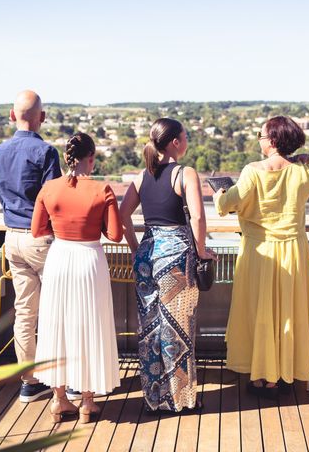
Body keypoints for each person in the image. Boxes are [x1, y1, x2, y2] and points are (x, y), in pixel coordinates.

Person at [213, 116, 309, 396]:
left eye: (261, 135)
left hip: (259, 251)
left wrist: (220, 193)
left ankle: (261, 375)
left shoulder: (252, 171)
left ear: (273, 141)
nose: (259, 139)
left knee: (259, 312)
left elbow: (226, 205)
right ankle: (282, 373)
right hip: (293, 250)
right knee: (288, 312)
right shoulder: (303, 172)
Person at [119, 118, 215, 413]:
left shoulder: (141, 176)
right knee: (178, 329)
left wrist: (137, 250)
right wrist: (202, 253)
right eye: (185, 137)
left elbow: (123, 217)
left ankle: (153, 398)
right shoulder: (185, 173)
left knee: (150, 330)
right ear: (175, 142)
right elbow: (197, 218)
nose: (186, 141)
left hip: (148, 255)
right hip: (176, 257)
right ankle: (182, 399)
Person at [31, 132, 122, 423]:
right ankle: (87, 402)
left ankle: (58, 400)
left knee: (57, 326)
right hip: (89, 260)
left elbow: (37, 230)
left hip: (59, 259)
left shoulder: (49, 187)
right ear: (91, 158)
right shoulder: (102, 189)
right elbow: (115, 235)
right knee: (89, 326)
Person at [0, 90, 61, 402]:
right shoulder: (46, 153)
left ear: (11, 115)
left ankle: (29, 381)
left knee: (24, 312)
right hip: (41, 238)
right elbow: (54, 201)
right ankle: (62, 380)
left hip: (12, 239)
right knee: (57, 310)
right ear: (42, 118)